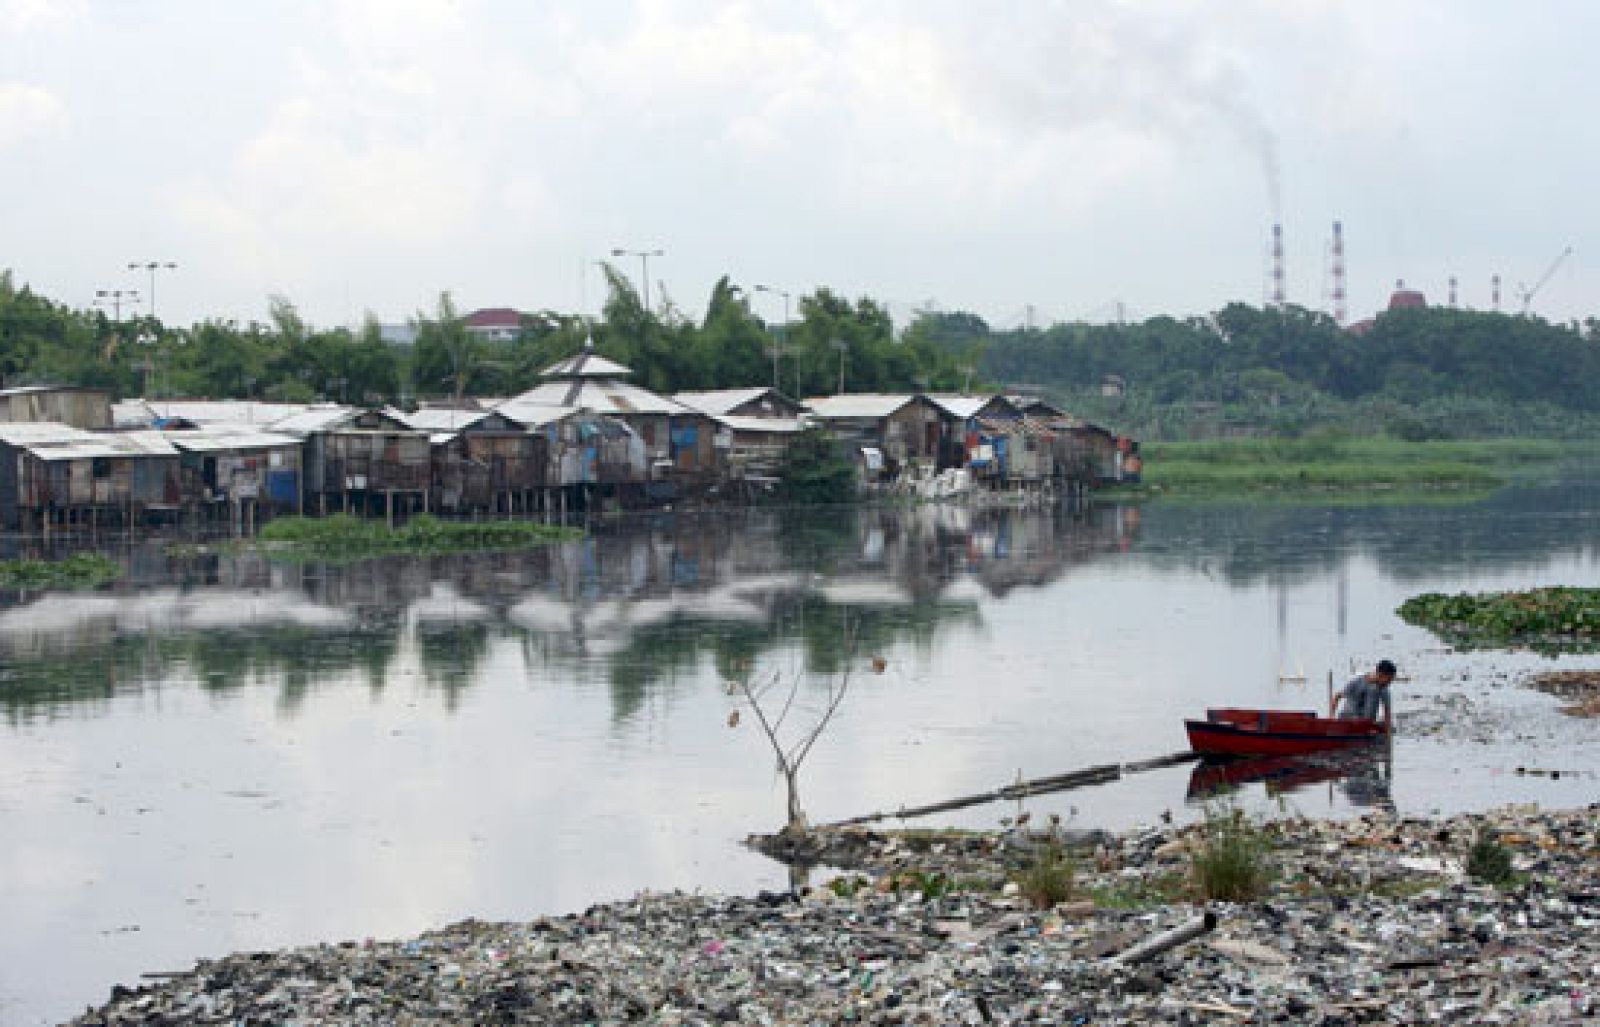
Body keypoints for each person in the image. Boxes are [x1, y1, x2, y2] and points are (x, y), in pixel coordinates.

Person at [1331, 659, 1396, 732]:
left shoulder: (1384, 689)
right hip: (1348, 720)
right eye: (1388, 680)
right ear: (1380, 675)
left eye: (1391, 680)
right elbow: (1337, 696)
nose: (1389, 683)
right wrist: (1332, 717)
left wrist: (1387, 731)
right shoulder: (1357, 683)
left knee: (1390, 727)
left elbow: (1387, 713)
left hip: (1366, 723)